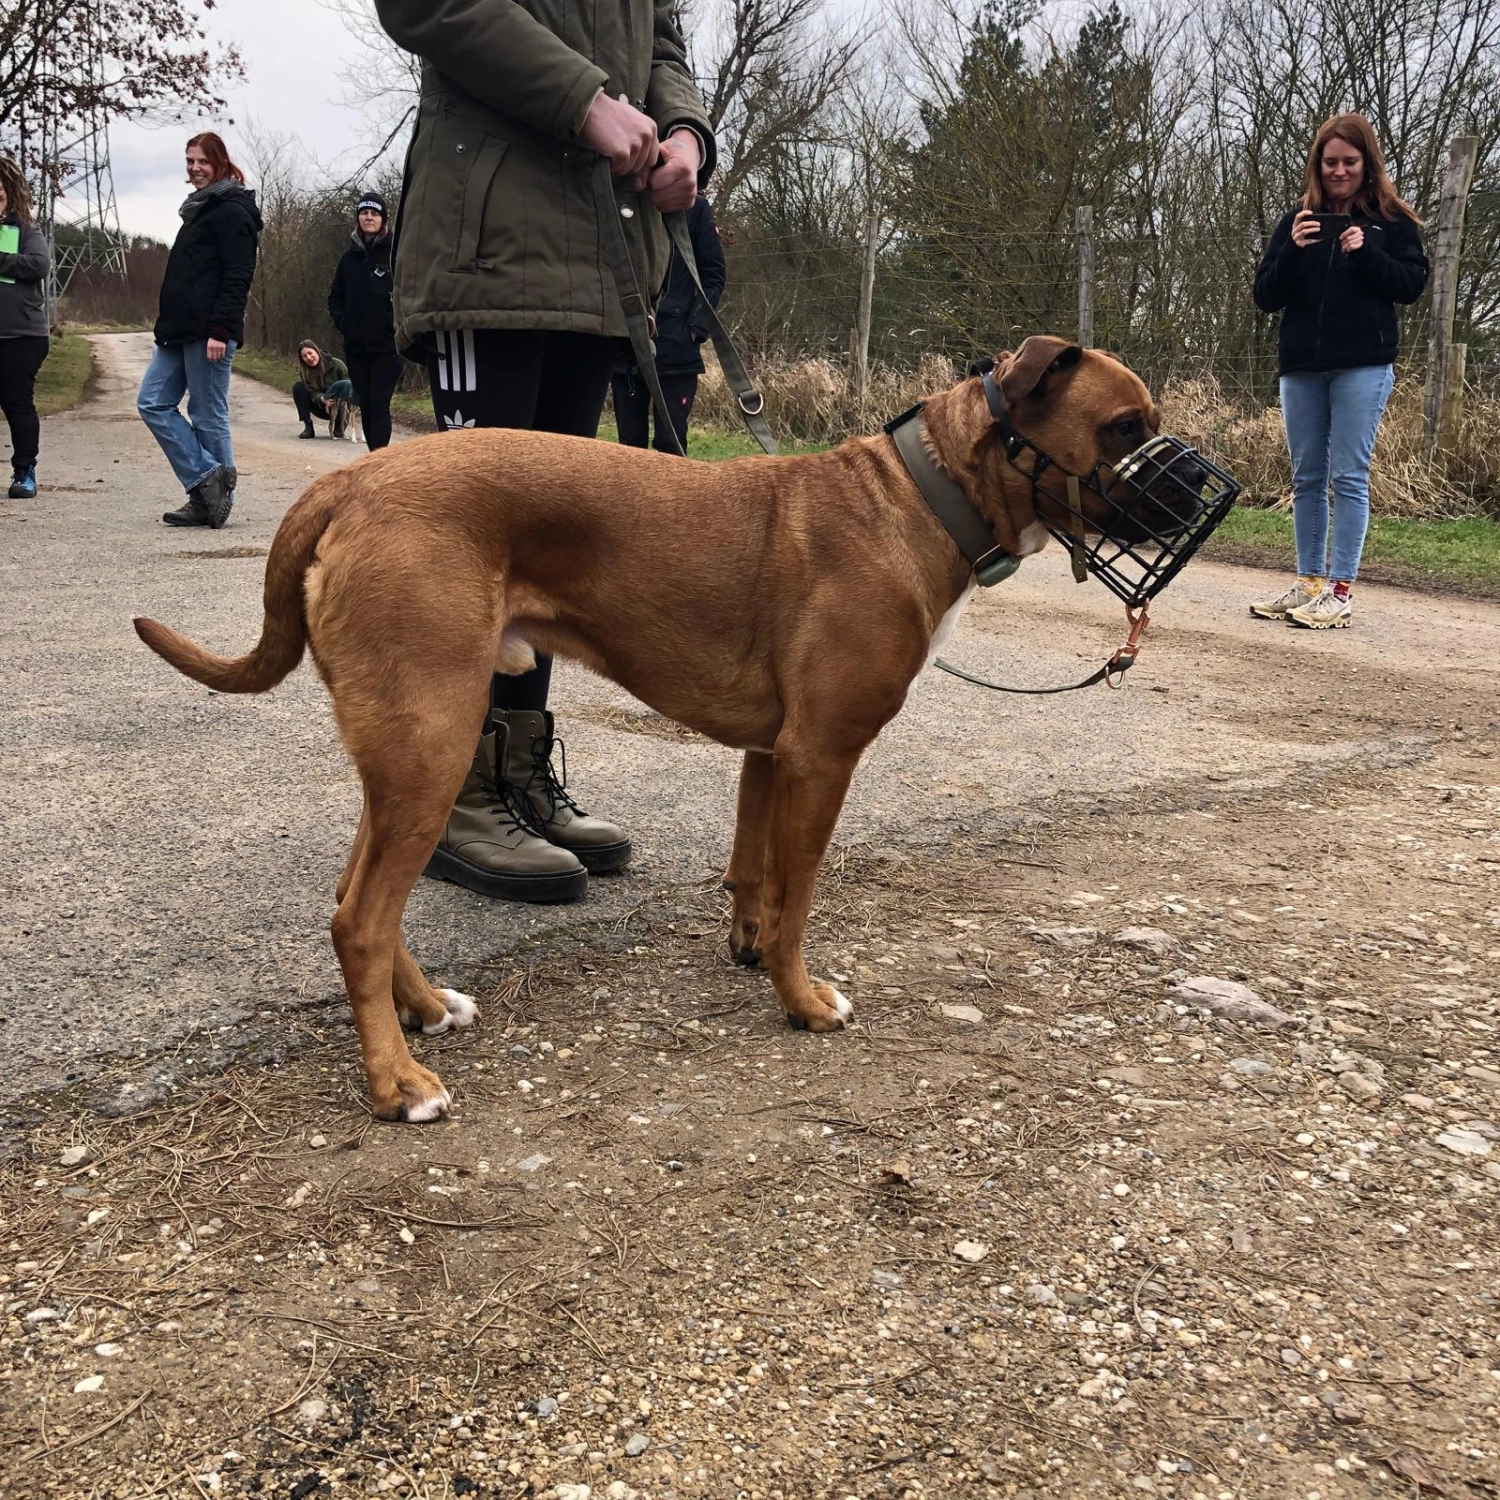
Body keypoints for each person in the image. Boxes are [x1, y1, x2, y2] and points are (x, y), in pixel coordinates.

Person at [375, 0, 715, 905]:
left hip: (599, 264)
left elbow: (663, 37)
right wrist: (586, 102)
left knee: (551, 554)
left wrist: (685, 133)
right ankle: (449, 790)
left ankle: (515, 773)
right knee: (466, 553)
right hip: (485, 254)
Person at [1250, 112, 1428, 630]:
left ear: (1367, 163)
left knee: (1349, 476)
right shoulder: (1296, 220)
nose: (1339, 171)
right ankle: (1309, 583)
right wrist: (1293, 251)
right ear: (1317, 164)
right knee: (1306, 478)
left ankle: (1340, 591)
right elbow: (1266, 296)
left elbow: (1410, 286)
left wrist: (1365, 252)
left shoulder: (1392, 222)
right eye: (1330, 162)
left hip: (1363, 367)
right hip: (1302, 368)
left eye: (1349, 161)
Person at [138, 132, 261, 529]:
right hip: (178, 329)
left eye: (203, 161)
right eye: (190, 161)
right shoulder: (200, 209)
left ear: (220, 163)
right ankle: (207, 481)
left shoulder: (233, 211)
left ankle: (215, 500)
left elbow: (238, 275)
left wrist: (221, 330)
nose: (194, 168)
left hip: (209, 330)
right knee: (152, 402)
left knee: (207, 415)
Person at [611, 189, 725, 454]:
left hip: (677, 347)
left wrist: (696, 328)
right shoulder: (621, 199)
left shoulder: (694, 208)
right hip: (625, 345)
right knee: (629, 446)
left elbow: (713, 275)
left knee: (671, 444)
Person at [328, 191, 403, 450]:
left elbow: (409, 293)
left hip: (388, 346)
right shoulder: (348, 259)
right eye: (364, 213)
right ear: (358, 218)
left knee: (380, 405)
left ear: (383, 219)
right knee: (367, 405)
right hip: (357, 348)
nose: (368, 217)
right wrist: (344, 323)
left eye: (374, 213)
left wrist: (397, 326)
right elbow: (335, 297)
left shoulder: (395, 254)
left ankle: (381, 461)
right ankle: (374, 458)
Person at [0, 156, 50, 500]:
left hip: (21, 335)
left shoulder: (25, 231)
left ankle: (24, 471)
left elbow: (39, 264)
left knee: (16, 403)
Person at [291, 339, 355, 439]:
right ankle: (308, 427)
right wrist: (322, 399)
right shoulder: (305, 372)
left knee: (338, 434)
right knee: (298, 387)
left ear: (316, 351)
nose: (309, 358)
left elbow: (349, 385)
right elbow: (312, 392)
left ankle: (340, 425)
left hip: (340, 406)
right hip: (320, 405)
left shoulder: (337, 364)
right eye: (304, 356)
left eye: (310, 353)